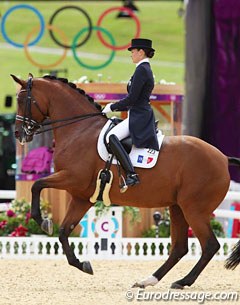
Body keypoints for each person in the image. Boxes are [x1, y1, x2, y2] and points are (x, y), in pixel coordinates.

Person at [102, 38, 159, 191]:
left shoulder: (142, 69)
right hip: (138, 113)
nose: (131, 54)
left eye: (133, 52)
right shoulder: (144, 68)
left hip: (139, 115)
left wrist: (111, 107)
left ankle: (131, 174)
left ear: (141, 52)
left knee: (111, 137)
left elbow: (132, 98)